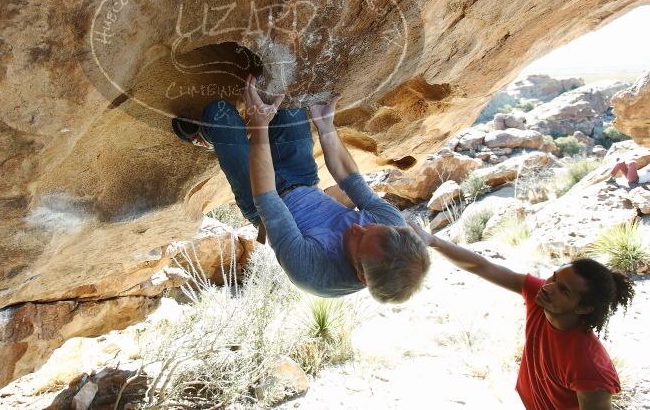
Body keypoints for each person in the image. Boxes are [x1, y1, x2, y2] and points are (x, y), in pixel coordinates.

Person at [173, 74, 430, 302]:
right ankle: (236, 136)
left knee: (219, 114)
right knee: (288, 94)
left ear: (361, 275)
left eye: (360, 239)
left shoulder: (314, 273)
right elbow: (350, 178)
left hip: (262, 204)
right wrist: (326, 127)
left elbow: (267, 199)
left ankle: (210, 136)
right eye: (370, 227)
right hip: (303, 179)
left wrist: (260, 125)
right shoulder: (391, 224)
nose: (356, 226)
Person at [407, 220, 635, 410]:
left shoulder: (589, 368)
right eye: (554, 277)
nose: (549, 286)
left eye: (563, 290)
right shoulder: (543, 297)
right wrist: (433, 241)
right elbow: (482, 266)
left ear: (583, 308)